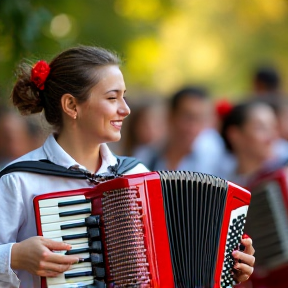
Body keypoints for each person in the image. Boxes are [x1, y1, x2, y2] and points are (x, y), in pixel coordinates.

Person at [0, 46, 254, 288]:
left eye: (124, 97)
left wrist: (227, 266)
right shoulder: (20, 180)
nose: (125, 109)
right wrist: (14, 256)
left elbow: (172, 262)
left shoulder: (137, 175)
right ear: (71, 106)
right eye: (113, 98)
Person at [146, 86, 226, 175]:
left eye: (201, 119)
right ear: (171, 116)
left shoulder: (216, 159)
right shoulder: (148, 156)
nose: (193, 128)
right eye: (188, 118)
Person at [219, 99, 285, 187]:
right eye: (261, 128)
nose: (272, 137)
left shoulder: (282, 175)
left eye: (273, 128)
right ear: (235, 135)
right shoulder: (222, 182)